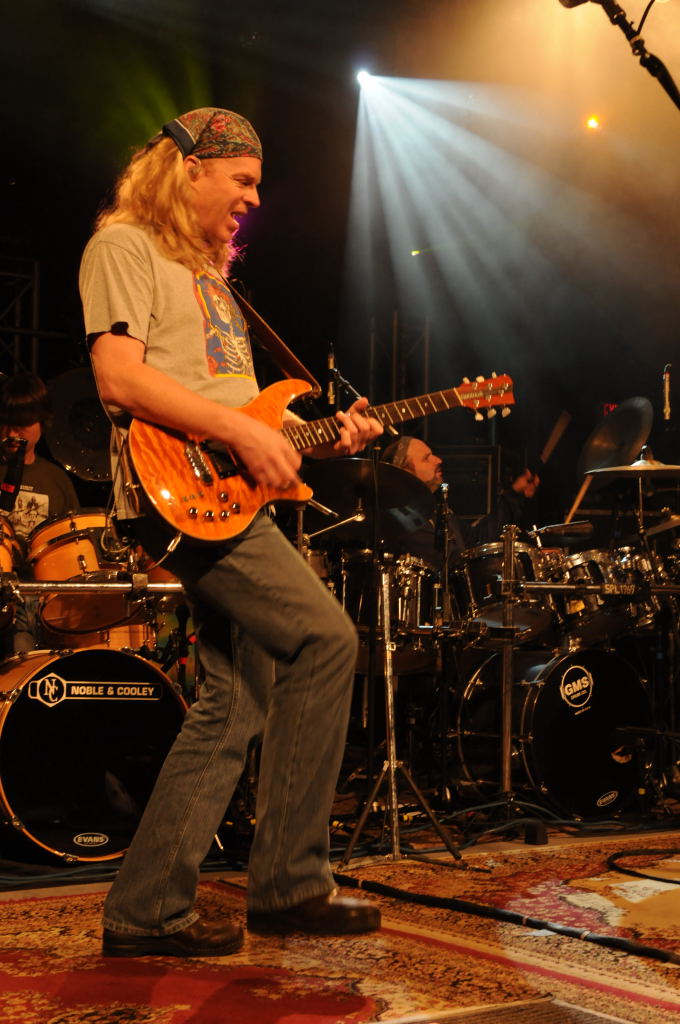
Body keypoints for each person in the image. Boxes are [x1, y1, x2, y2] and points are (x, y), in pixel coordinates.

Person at [79, 106, 383, 958]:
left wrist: (314, 437)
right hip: (175, 489)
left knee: (235, 698)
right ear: (190, 170)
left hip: (229, 496)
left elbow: (248, 413)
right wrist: (238, 435)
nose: (252, 198)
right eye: (242, 180)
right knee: (327, 638)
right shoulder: (124, 244)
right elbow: (117, 378)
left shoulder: (212, 278)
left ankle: (147, 910)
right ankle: (289, 883)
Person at [0, 372, 80, 652]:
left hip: (42, 597)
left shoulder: (57, 480)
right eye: (7, 423)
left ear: (42, 423)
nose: (12, 434)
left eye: (22, 425)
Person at [381, 435, 540, 567]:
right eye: (426, 458)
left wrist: (514, 493)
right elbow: (451, 562)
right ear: (405, 471)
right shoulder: (401, 520)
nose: (438, 460)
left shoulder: (437, 512)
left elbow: (478, 539)